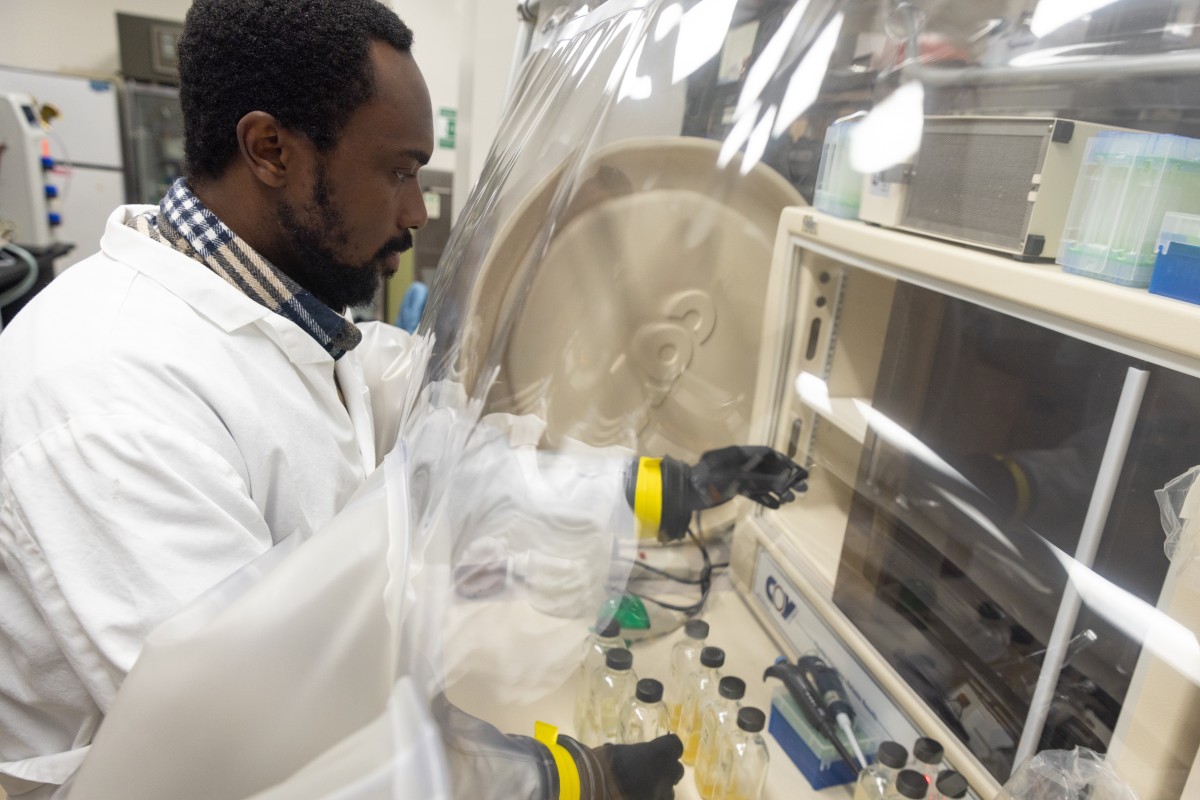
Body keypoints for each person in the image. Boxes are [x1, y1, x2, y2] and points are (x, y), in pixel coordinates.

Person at [0, 1, 708, 797]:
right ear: (270, 149)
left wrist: (646, 486)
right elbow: (255, 750)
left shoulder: (277, 315)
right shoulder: (111, 404)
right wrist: (552, 777)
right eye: (400, 171)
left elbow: (427, 430)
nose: (415, 212)